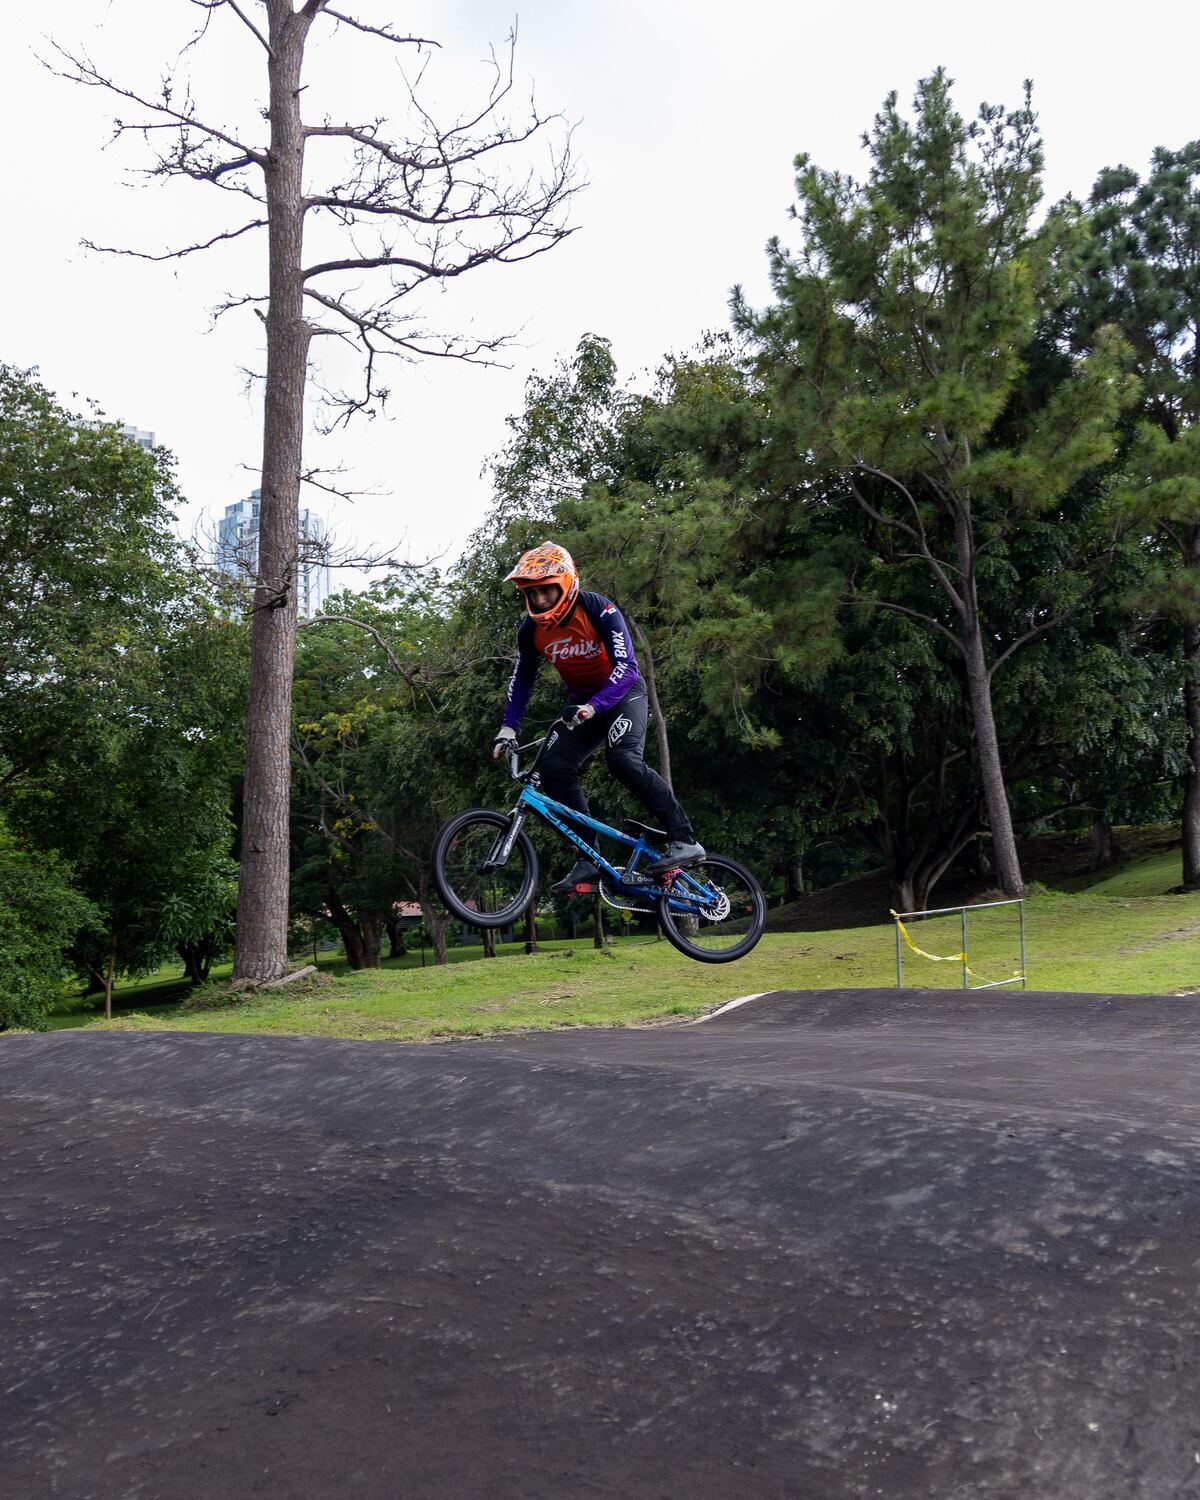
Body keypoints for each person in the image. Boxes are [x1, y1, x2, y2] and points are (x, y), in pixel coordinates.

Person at [492, 542, 705, 894]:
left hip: (623, 694)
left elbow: (626, 668)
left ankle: (684, 839)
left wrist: (594, 706)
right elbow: (522, 681)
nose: (541, 600)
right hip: (582, 706)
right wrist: (507, 728)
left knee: (621, 759)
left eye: (547, 590)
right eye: (533, 593)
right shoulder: (530, 631)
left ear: (567, 583)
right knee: (553, 769)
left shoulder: (598, 609)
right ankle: (587, 858)